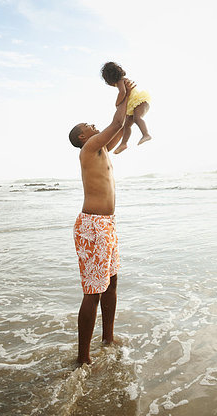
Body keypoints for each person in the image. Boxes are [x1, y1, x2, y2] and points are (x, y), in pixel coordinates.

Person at [68, 77, 135, 365]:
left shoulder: (102, 149)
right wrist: (122, 91)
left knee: (111, 283)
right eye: (89, 126)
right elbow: (115, 124)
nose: (93, 126)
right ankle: (83, 357)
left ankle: (107, 338)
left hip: (106, 225)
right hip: (92, 226)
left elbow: (122, 127)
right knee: (93, 291)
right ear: (83, 137)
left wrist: (131, 106)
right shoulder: (88, 148)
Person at [101, 61, 152, 154]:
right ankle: (123, 144)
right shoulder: (122, 80)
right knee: (127, 125)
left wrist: (117, 103)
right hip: (133, 105)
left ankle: (146, 134)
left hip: (139, 101)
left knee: (137, 118)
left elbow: (123, 92)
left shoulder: (121, 81)